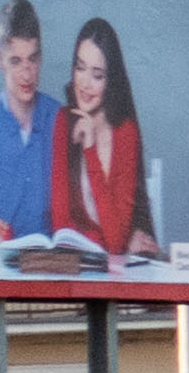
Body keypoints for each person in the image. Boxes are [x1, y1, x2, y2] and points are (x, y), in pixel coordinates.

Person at [47, 19, 153, 262]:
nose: (84, 83)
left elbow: (115, 242)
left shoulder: (125, 132)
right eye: (80, 67)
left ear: (111, 81)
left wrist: (90, 148)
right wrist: (107, 240)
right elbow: (61, 228)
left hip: (117, 276)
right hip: (78, 270)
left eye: (97, 75)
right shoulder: (64, 122)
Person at [0, 3, 50, 242]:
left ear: (41, 57)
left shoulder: (61, 119)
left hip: (56, 266)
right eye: (16, 61)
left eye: (32, 59)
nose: (27, 73)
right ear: (0, 61)